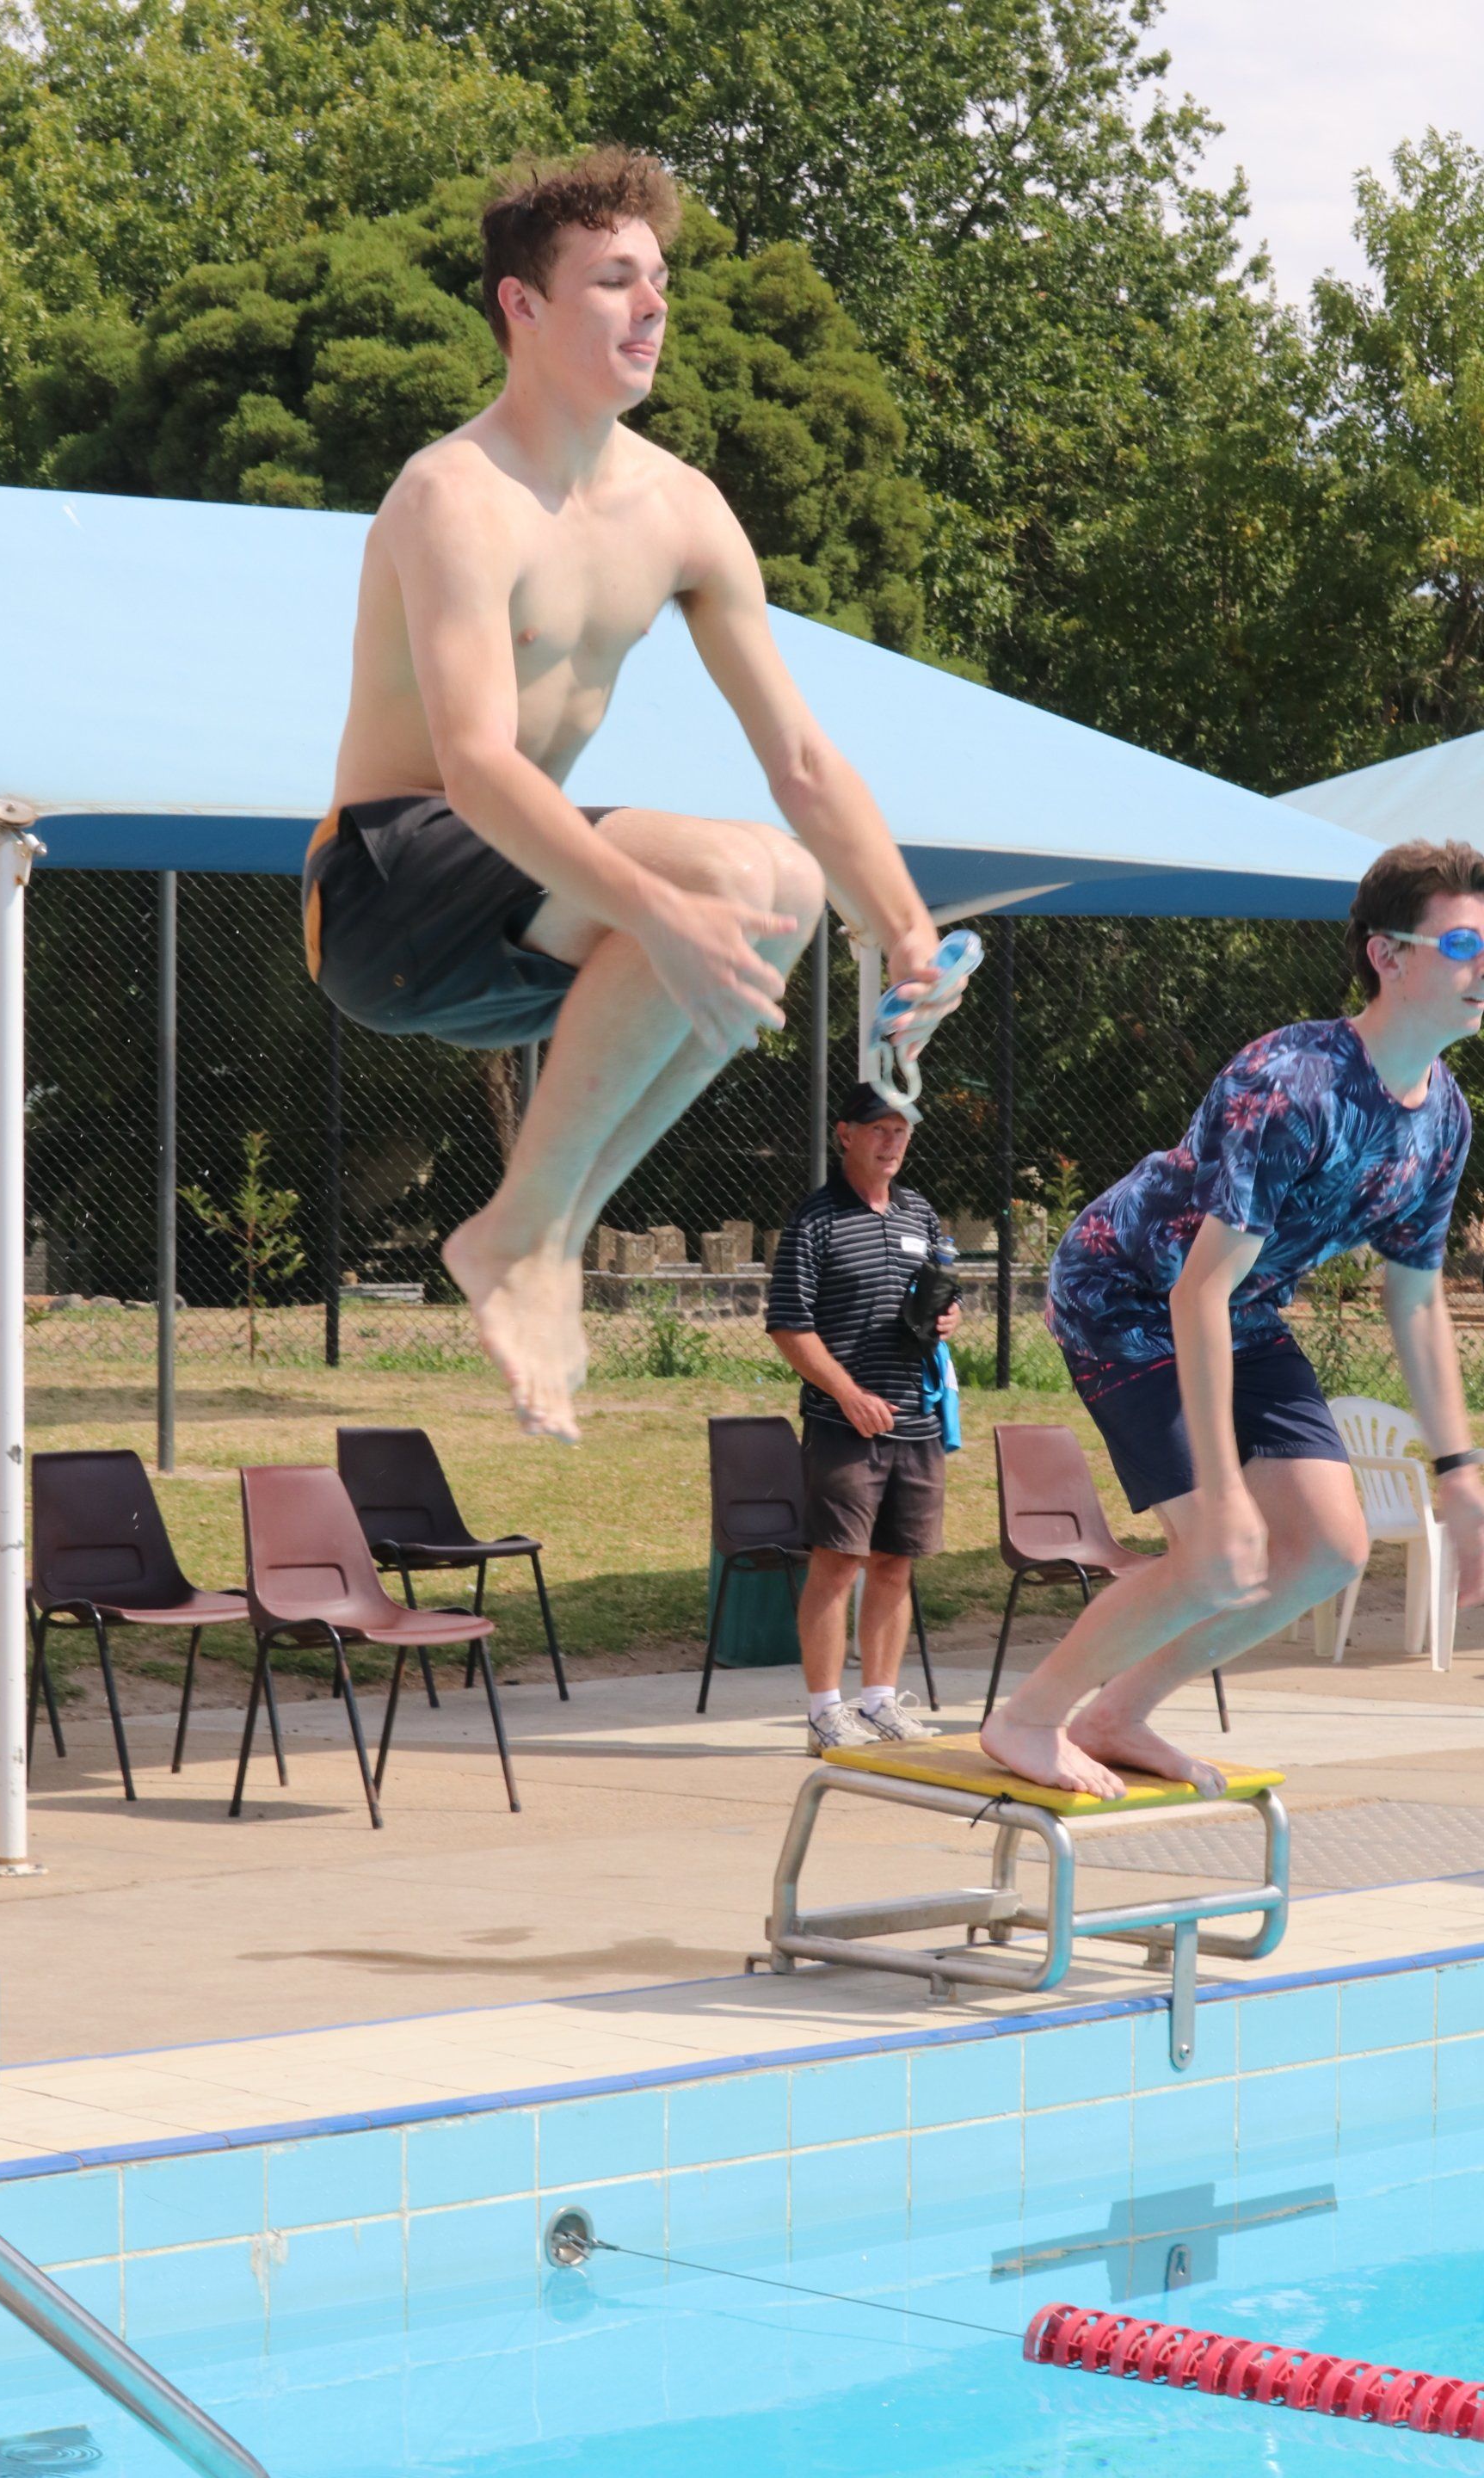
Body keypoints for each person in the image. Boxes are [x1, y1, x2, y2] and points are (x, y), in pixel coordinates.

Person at [304, 146, 967, 1444]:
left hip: (517, 935)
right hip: (385, 891)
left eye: (658, 280)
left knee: (777, 891)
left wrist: (904, 929)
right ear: (524, 307)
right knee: (732, 884)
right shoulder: (455, 495)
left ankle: (534, 1236)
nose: (653, 306)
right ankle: (522, 1238)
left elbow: (803, 761)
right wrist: (659, 912)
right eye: (614, 280)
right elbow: (480, 766)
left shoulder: (683, 511)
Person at [982, 838, 1484, 1800]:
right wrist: (1220, 1490)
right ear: (1386, 955)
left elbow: (1414, 1297)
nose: (1482, 968)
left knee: (1327, 1554)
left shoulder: (1444, 1119)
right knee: (1219, 1552)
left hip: (1241, 1313)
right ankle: (1027, 1718)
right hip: (1126, 1298)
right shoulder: (1292, 1083)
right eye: (1461, 942)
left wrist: (1458, 1473)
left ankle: (1118, 1715)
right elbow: (1194, 1290)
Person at [767, 1084, 964, 1753]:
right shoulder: (815, 1220)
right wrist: (848, 1393)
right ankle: (825, 1713)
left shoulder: (920, 1213)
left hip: (917, 1421)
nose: (892, 1143)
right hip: (843, 1424)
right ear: (845, 1134)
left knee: (895, 1565)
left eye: (901, 1131)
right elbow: (788, 1326)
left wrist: (946, 1319)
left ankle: (879, 1701)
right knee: (838, 1562)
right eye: (879, 1129)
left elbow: (932, 1300)